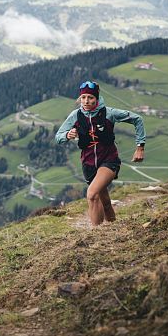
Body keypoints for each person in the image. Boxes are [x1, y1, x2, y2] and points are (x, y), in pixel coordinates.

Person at [55, 80, 145, 226]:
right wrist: (67, 135)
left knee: (91, 195)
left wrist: (140, 147)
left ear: (96, 98)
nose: (86, 101)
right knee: (105, 202)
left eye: (90, 97)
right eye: (83, 97)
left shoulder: (109, 113)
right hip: (88, 164)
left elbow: (137, 119)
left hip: (109, 161)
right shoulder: (75, 115)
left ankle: (96, 235)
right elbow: (58, 137)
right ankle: (114, 230)